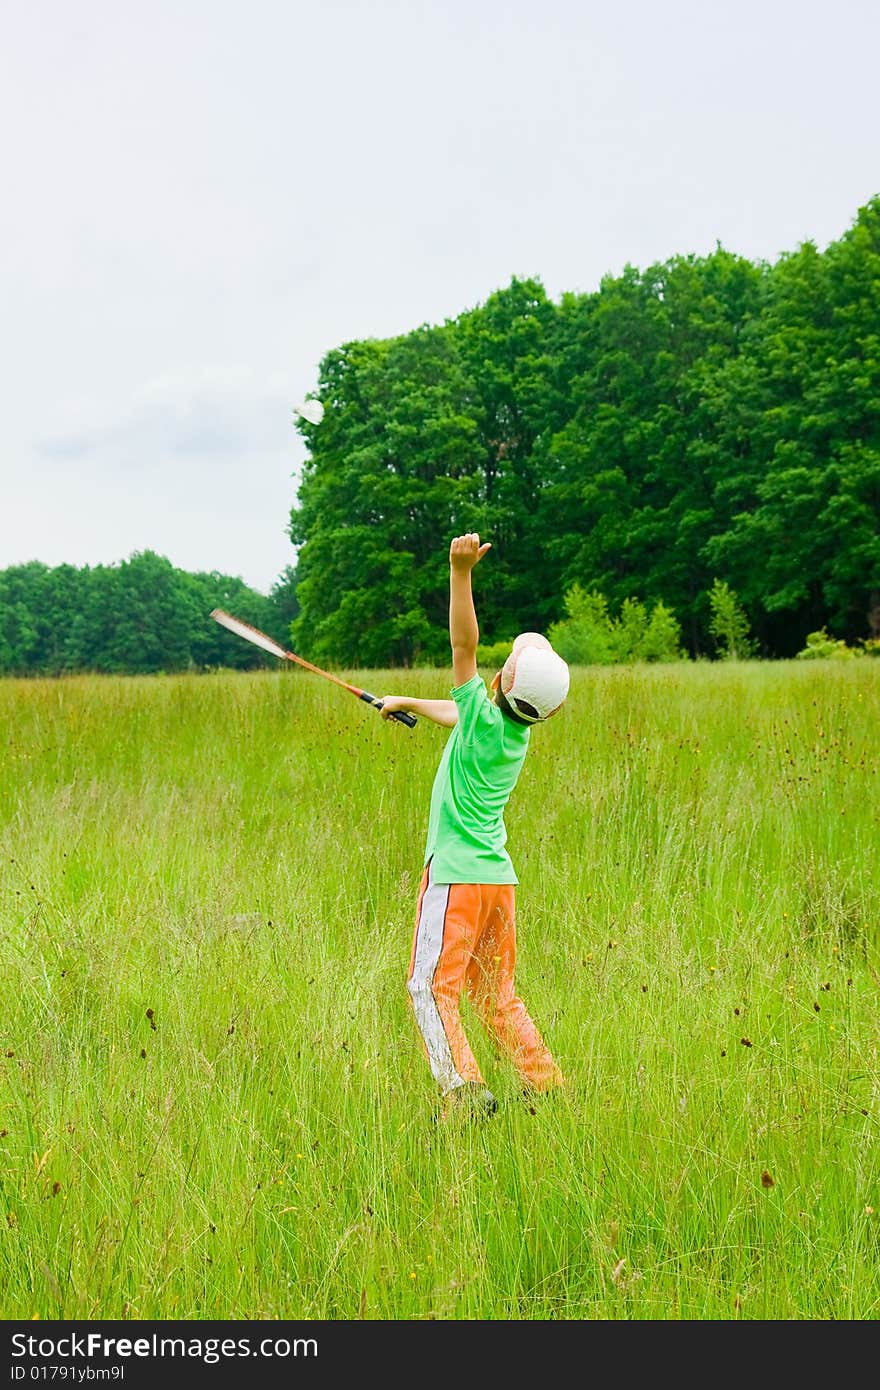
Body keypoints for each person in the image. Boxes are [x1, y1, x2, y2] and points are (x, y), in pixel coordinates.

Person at [379, 532, 570, 1117]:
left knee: (428, 991)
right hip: (498, 882)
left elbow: (464, 642)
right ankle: (545, 1085)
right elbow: (459, 715)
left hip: (456, 878)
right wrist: (407, 702)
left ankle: (463, 1090)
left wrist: (460, 573)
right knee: (496, 994)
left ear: (504, 683)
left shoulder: (481, 714)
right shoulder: (511, 734)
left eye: (507, 663)